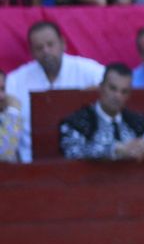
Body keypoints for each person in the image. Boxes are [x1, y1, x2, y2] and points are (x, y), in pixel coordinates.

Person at [4, 20, 108, 165]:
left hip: (85, 162)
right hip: (31, 167)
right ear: (32, 52)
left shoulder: (89, 71)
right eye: (39, 48)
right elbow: (8, 140)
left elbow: (116, 89)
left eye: (50, 44)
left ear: (63, 43)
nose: (46, 51)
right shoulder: (15, 81)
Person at [58, 63, 144, 161]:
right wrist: (116, 150)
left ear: (129, 95)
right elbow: (73, 151)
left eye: (124, 91)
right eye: (113, 89)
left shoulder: (137, 122)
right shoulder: (78, 122)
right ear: (101, 88)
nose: (117, 96)